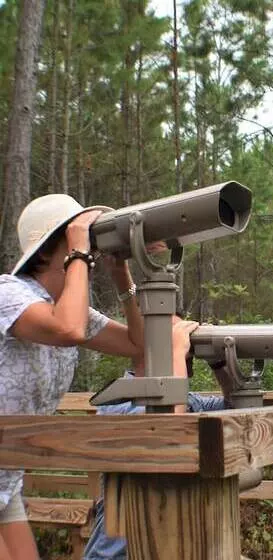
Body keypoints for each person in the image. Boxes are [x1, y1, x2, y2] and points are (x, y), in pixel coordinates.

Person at [0, 194, 146, 560]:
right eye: (78, 236)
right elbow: (67, 330)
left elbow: (139, 344)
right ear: (49, 249)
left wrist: (121, 274)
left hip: (6, 479)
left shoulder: (73, 311)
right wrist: (79, 250)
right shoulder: (9, 294)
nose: (91, 250)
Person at [82, 319, 232, 560]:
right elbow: (166, 429)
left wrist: (219, 362)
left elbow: (234, 406)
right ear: (147, 348)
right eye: (172, 337)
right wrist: (176, 353)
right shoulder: (119, 403)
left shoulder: (188, 401)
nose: (185, 345)